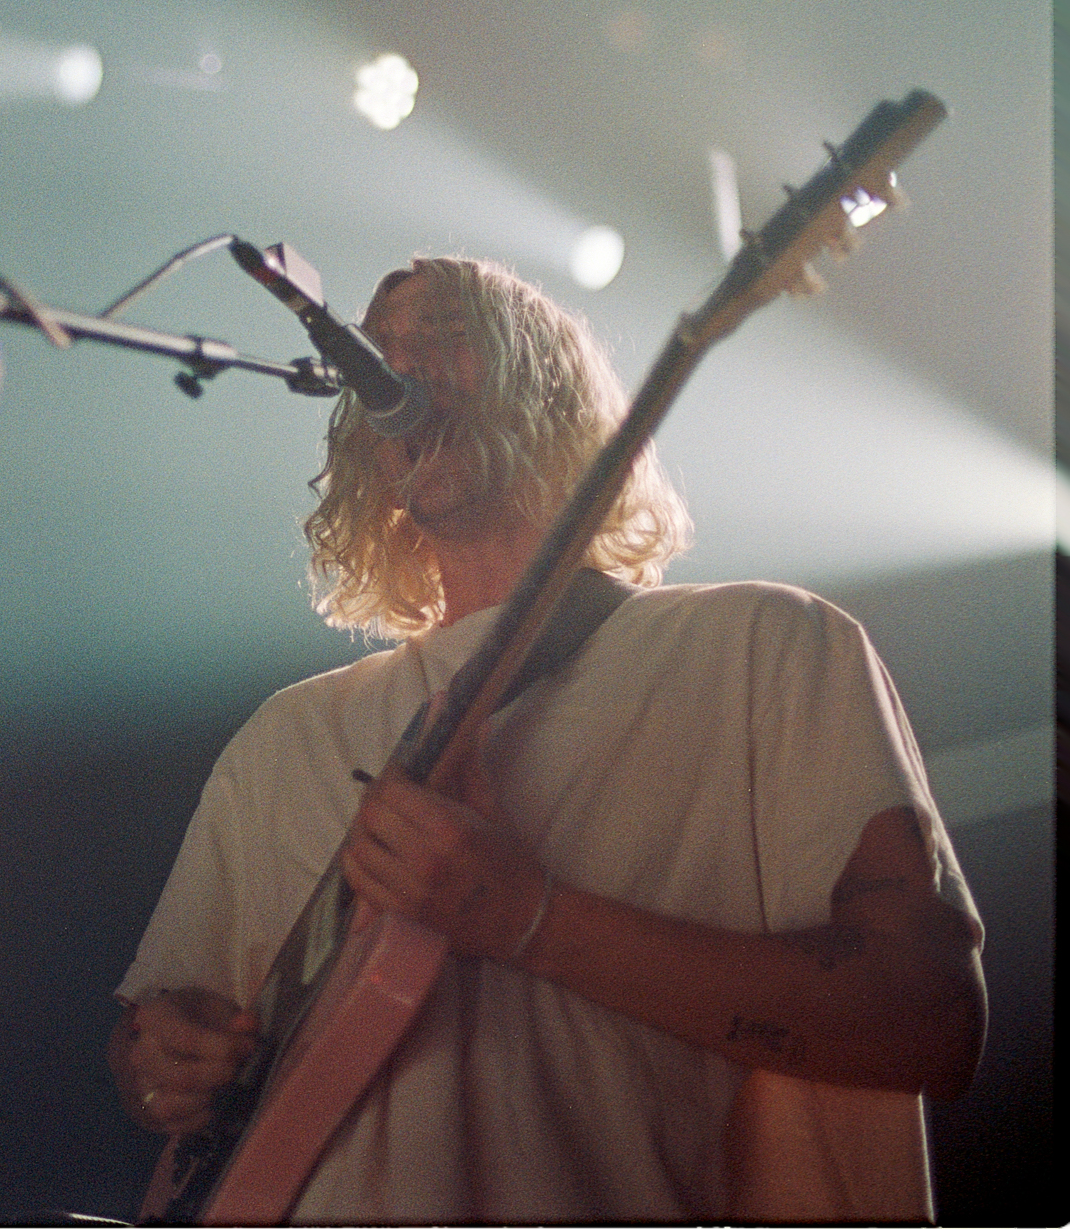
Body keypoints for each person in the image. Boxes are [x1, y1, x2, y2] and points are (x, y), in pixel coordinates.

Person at [108, 256, 985, 1223]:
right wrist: (164, 1060)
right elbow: (157, 1039)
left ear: (547, 384)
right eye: (379, 350)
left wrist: (530, 918)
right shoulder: (287, 734)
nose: (397, 370)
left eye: (443, 335)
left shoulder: (759, 646)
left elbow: (929, 1019)